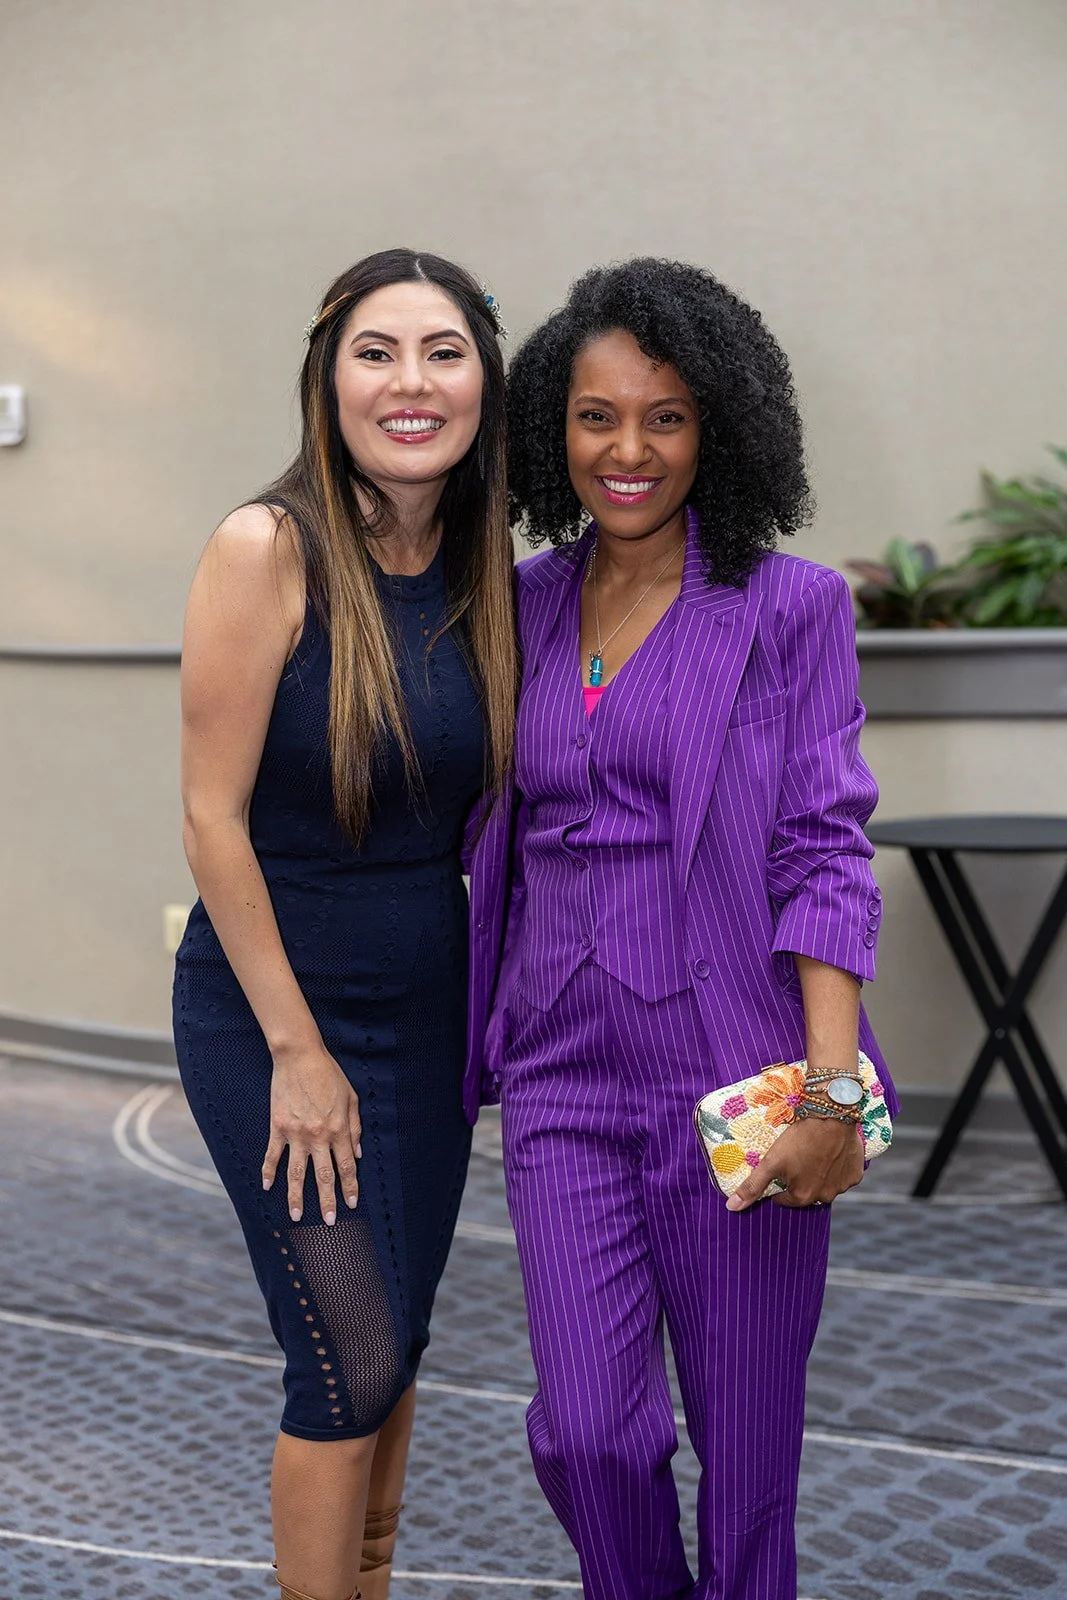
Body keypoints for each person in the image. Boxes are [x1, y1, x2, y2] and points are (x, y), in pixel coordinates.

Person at [465, 258, 897, 1600]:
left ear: (718, 428)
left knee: (747, 1449)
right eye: (596, 417)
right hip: (557, 1075)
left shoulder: (787, 608)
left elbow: (823, 843)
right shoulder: (518, 601)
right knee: (590, 1435)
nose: (629, 450)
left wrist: (833, 1089)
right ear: (555, 430)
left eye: (664, 416)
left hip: (742, 1071)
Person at [174, 248, 515, 1600]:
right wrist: (299, 1055)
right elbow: (211, 819)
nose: (410, 382)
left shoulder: (485, 564)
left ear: (485, 380)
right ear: (329, 376)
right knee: (346, 1360)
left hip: (426, 1015)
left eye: (442, 351)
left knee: (404, 1342)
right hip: (275, 1014)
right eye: (378, 351)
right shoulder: (268, 546)